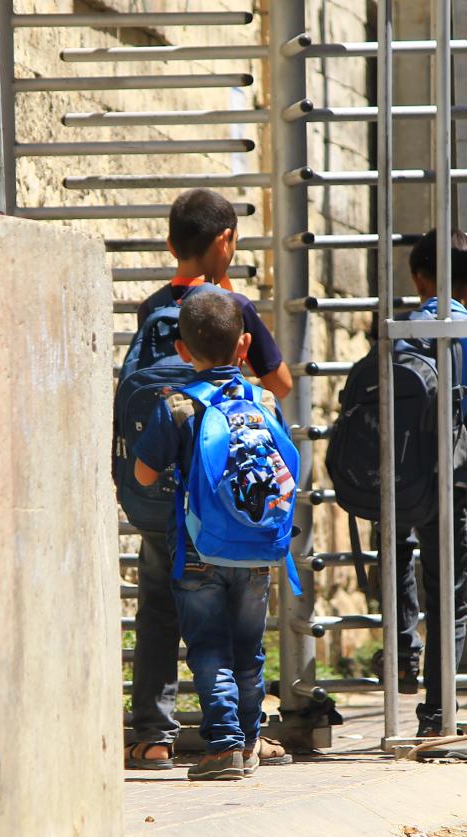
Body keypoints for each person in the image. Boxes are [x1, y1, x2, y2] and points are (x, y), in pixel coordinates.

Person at [125, 189, 293, 770]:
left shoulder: (153, 310)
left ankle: (154, 736)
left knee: (161, 613)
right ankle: (245, 738)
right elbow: (281, 384)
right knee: (244, 641)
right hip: (241, 523)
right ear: (225, 240)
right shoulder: (233, 307)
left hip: (175, 510)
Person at [395, 229, 467, 738]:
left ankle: (403, 646)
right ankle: (438, 716)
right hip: (450, 475)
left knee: (395, 554)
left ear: (418, 278)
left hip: (395, 472)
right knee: (449, 592)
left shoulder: (398, 328)